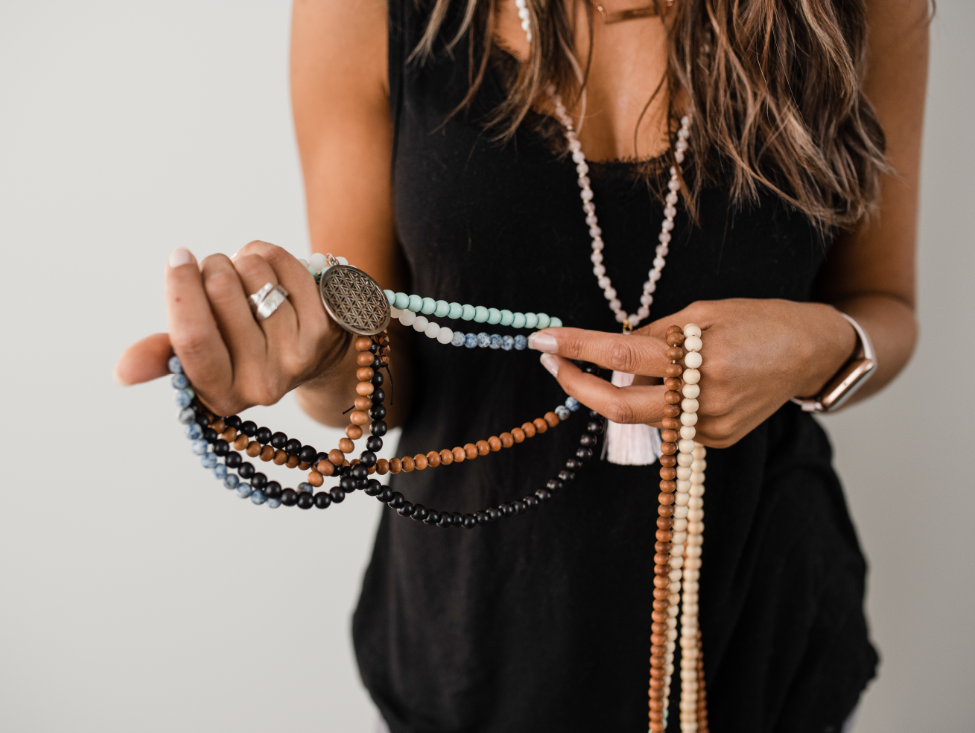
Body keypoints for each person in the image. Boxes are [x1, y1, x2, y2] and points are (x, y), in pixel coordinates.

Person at [115, 0, 928, 730]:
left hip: (760, 638)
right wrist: (320, 362)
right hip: (472, 646)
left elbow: (883, 304)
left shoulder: (863, 9)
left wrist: (819, 349)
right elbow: (374, 367)